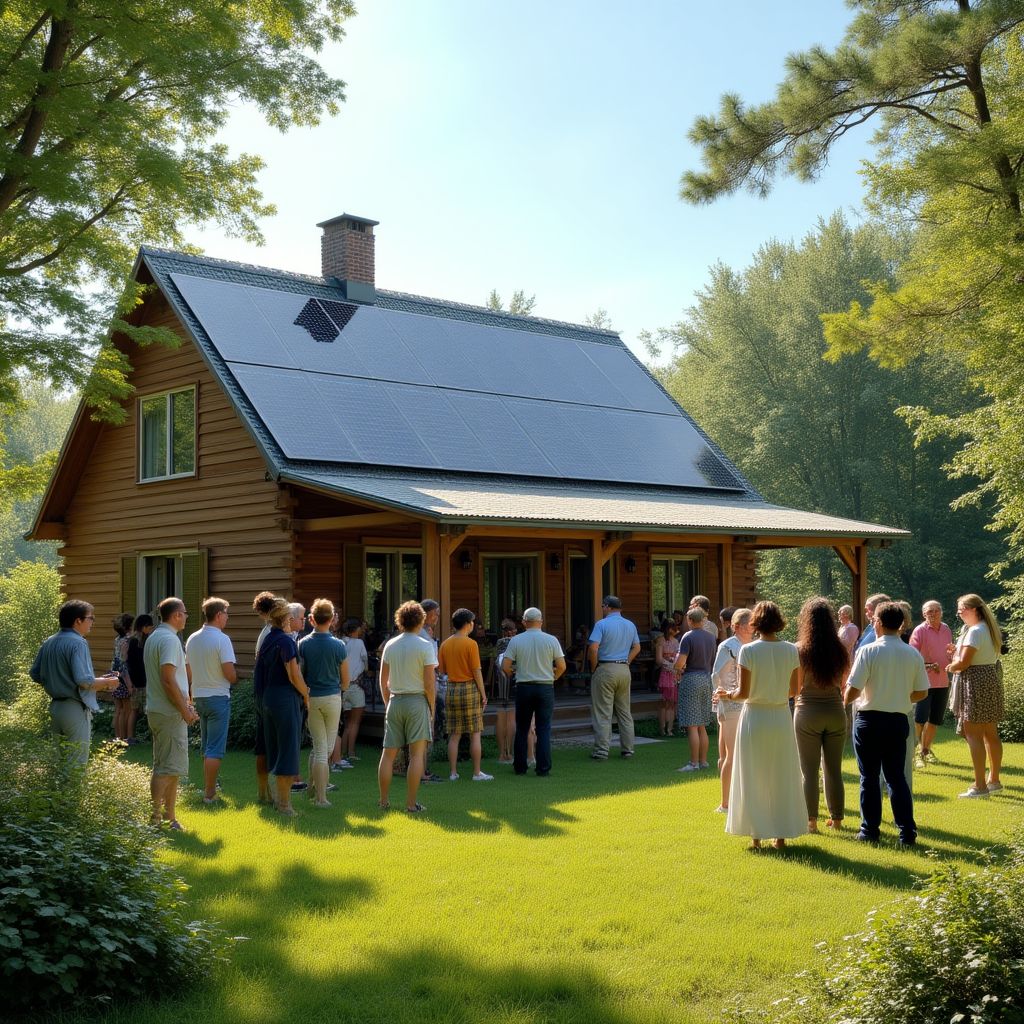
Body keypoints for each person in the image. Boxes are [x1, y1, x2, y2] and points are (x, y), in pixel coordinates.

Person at [715, 600, 806, 850]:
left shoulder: (749, 650)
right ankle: (780, 837)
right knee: (781, 773)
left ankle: (756, 837)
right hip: (779, 716)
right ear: (778, 622)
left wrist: (726, 694)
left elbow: (743, 693)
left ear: (756, 623)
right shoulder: (790, 650)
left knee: (753, 773)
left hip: (755, 716)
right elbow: (795, 690)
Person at [845, 601, 929, 845]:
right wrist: (902, 697)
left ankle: (870, 830)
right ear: (901, 624)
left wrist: (848, 700)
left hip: (870, 718)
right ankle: (906, 832)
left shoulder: (868, 651)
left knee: (869, 777)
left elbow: (854, 688)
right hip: (897, 719)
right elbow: (922, 692)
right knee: (896, 777)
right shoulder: (912, 653)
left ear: (878, 622)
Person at [29, 600, 119, 765]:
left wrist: (57, 681)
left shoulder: (50, 641)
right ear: (78, 620)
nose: (92, 622)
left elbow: (34, 674)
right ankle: (75, 792)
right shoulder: (78, 642)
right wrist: (109, 682)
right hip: (74, 707)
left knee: (58, 764)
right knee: (76, 765)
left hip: (55, 707)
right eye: (91, 618)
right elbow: (84, 681)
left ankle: (57, 792)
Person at [793, 598, 848, 833]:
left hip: (807, 712)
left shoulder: (800, 650)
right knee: (834, 769)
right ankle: (836, 821)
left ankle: (811, 821)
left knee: (809, 771)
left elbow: (795, 688)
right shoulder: (841, 650)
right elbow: (843, 684)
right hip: (836, 710)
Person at [144, 598, 199, 831]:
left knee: (171, 767)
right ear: (176, 615)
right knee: (166, 769)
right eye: (185, 613)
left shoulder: (155, 636)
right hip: (168, 712)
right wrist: (185, 710)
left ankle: (170, 817)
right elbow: (168, 680)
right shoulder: (168, 639)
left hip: (161, 710)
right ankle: (156, 820)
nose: (187, 617)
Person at [378, 601, 438, 813]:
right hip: (416, 701)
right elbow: (430, 682)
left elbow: (382, 680)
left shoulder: (391, 645)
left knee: (388, 754)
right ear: (421, 620)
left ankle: (384, 801)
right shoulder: (425, 645)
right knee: (415, 755)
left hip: (395, 700)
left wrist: (388, 703)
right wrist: (431, 707)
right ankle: (411, 804)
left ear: (400, 620)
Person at [254, 598, 309, 815]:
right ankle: (284, 804)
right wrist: (306, 696)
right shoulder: (286, 641)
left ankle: (274, 797)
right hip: (284, 699)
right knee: (288, 750)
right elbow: (294, 675)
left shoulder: (268, 638)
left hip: (267, 698)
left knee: (273, 748)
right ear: (286, 618)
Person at [946, 593, 1004, 798]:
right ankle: (994, 780)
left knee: (973, 734)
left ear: (975, 610)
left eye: (962, 608)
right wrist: (957, 652)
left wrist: (950, 666)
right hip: (989, 679)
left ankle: (980, 786)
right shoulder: (986, 628)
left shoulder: (974, 631)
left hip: (975, 682)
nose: (959, 612)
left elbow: (963, 664)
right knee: (990, 733)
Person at [185, 597, 237, 804]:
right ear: (218, 615)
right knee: (215, 747)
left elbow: (188, 671)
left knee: (206, 746)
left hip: (199, 695)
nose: (227, 618)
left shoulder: (192, 638)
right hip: (218, 696)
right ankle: (209, 793)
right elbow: (229, 672)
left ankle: (209, 785)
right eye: (226, 614)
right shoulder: (222, 639)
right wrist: (235, 676)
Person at [502, 607, 566, 777]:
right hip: (545, 686)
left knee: (522, 728)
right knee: (544, 728)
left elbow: (505, 666)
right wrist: (553, 678)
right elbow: (561, 666)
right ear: (541, 621)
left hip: (524, 687)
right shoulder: (551, 640)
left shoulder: (516, 640)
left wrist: (513, 674)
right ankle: (543, 768)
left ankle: (520, 767)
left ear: (524, 622)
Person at [298, 598, 348, 807]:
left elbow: (300, 674)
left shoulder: (303, 644)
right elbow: (345, 679)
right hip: (332, 698)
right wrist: (339, 690)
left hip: (312, 698)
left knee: (319, 748)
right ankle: (321, 797)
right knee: (323, 750)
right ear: (332, 619)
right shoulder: (338, 645)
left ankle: (312, 788)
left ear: (312, 619)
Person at [439, 608, 492, 781]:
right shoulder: (471, 644)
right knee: (475, 733)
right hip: (469, 688)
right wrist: (483, 694)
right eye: (473, 622)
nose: (474, 625)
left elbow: (442, 670)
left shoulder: (445, 644)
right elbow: (476, 671)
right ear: (468, 624)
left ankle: (453, 773)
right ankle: (476, 773)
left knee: (454, 734)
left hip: (452, 689)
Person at [588, 595, 641, 761]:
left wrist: (594, 667)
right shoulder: (630, 624)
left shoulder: (601, 624)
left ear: (608, 607)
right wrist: (627, 661)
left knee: (603, 712)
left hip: (605, 667)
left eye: (603, 606)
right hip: (624, 669)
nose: (602, 609)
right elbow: (637, 647)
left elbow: (593, 648)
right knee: (624, 712)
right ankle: (628, 749)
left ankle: (602, 750)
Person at [711, 608, 753, 813]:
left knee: (741, 753)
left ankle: (741, 797)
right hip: (731, 704)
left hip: (749, 702)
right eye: (749, 624)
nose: (753, 628)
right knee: (730, 754)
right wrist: (722, 696)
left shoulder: (752, 645)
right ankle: (726, 802)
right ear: (737, 627)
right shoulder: (727, 646)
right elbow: (716, 675)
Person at [909, 601, 952, 768]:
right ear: (923, 614)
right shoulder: (919, 631)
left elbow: (947, 652)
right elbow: (912, 656)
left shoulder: (946, 629)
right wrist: (928, 665)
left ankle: (925, 751)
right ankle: (913, 755)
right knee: (919, 719)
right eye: (929, 612)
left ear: (941, 612)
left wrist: (952, 654)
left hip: (942, 681)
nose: (933, 614)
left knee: (934, 720)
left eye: (936, 611)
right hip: (923, 682)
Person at [674, 607, 717, 772]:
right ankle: (703, 761)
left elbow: (680, 662)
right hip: (707, 679)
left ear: (690, 620)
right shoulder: (711, 637)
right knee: (702, 725)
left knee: (692, 725)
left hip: (691, 678)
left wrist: (675, 668)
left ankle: (693, 763)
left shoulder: (688, 636)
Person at [251, 591, 277, 803]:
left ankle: (264, 792)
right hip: (269, 694)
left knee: (263, 744)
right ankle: (268, 792)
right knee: (269, 743)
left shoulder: (265, 633)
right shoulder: (272, 634)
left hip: (261, 692)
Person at [333, 617, 368, 770]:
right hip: (356, 686)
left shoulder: (340, 642)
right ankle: (351, 752)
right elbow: (365, 661)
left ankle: (342, 752)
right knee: (355, 722)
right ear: (355, 629)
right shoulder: (359, 643)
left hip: (342, 686)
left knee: (346, 722)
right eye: (360, 628)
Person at [419, 598, 446, 784]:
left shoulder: (422, 633)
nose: (437, 617)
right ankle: (422, 772)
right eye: (435, 613)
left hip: (421, 687)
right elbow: (432, 662)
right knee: (425, 731)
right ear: (427, 614)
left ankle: (422, 770)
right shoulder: (423, 635)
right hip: (425, 687)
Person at [492, 618, 519, 763]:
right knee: (511, 719)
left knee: (500, 718)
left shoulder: (499, 643)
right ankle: (509, 753)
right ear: (512, 631)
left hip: (499, 684)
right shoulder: (516, 643)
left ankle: (501, 753)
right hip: (512, 683)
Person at [125, 614, 154, 746]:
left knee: (138, 710)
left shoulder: (144, 639)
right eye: (149, 627)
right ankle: (131, 737)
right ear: (143, 627)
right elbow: (133, 663)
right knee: (136, 710)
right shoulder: (135, 641)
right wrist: (133, 683)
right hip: (139, 681)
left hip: (143, 680)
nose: (151, 629)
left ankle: (149, 736)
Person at [110, 613, 135, 745]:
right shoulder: (128, 640)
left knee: (118, 708)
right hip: (124, 676)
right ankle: (125, 738)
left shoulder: (117, 639)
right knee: (127, 708)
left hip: (114, 674)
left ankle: (118, 737)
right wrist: (129, 684)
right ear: (129, 626)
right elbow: (124, 662)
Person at [655, 619, 681, 737]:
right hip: (665, 673)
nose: (674, 630)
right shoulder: (660, 641)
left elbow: (678, 657)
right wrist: (669, 665)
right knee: (665, 702)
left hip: (674, 673)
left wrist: (675, 666)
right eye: (672, 627)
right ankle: (662, 729)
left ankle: (669, 730)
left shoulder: (676, 641)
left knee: (672, 702)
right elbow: (659, 660)